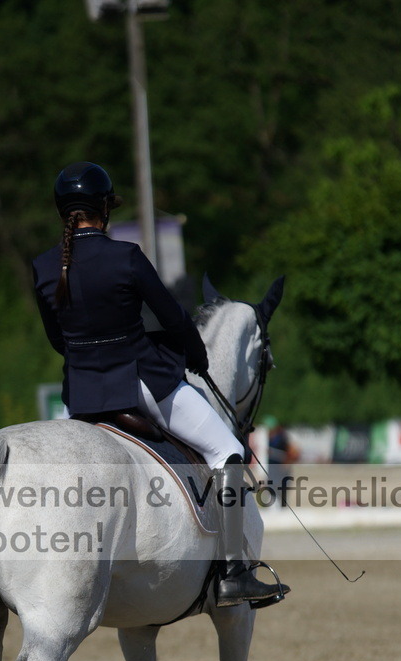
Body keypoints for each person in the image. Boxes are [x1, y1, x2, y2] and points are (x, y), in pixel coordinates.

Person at [32, 161, 287, 607]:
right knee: (227, 449)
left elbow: (60, 341)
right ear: (104, 210)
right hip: (142, 383)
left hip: (83, 396)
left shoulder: (43, 267)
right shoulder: (125, 257)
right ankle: (232, 572)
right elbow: (173, 317)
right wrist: (196, 354)